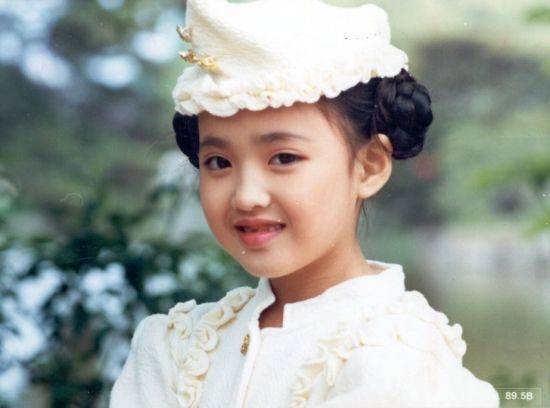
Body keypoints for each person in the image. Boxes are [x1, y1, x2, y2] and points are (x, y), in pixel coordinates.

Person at [110, 0, 500, 406]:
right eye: (219, 162)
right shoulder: (174, 349)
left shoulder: (402, 358)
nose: (246, 196)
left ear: (369, 166)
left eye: (284, 158)